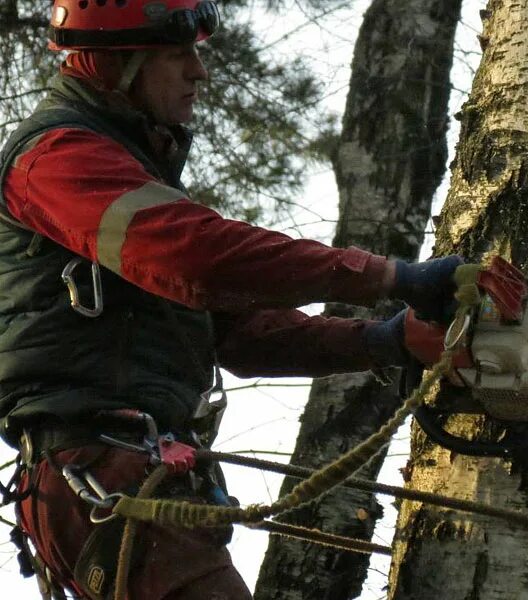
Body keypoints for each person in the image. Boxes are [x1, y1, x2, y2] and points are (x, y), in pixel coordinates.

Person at [0, 1, 461, 597]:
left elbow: (237, 330)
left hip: (132, 470)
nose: (199, 71)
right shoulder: (59, 159)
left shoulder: (130, 166)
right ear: (119, 62)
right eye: (177, 55)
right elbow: (197, 256)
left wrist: (384, 340)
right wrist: (391, 276)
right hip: (99, 470)